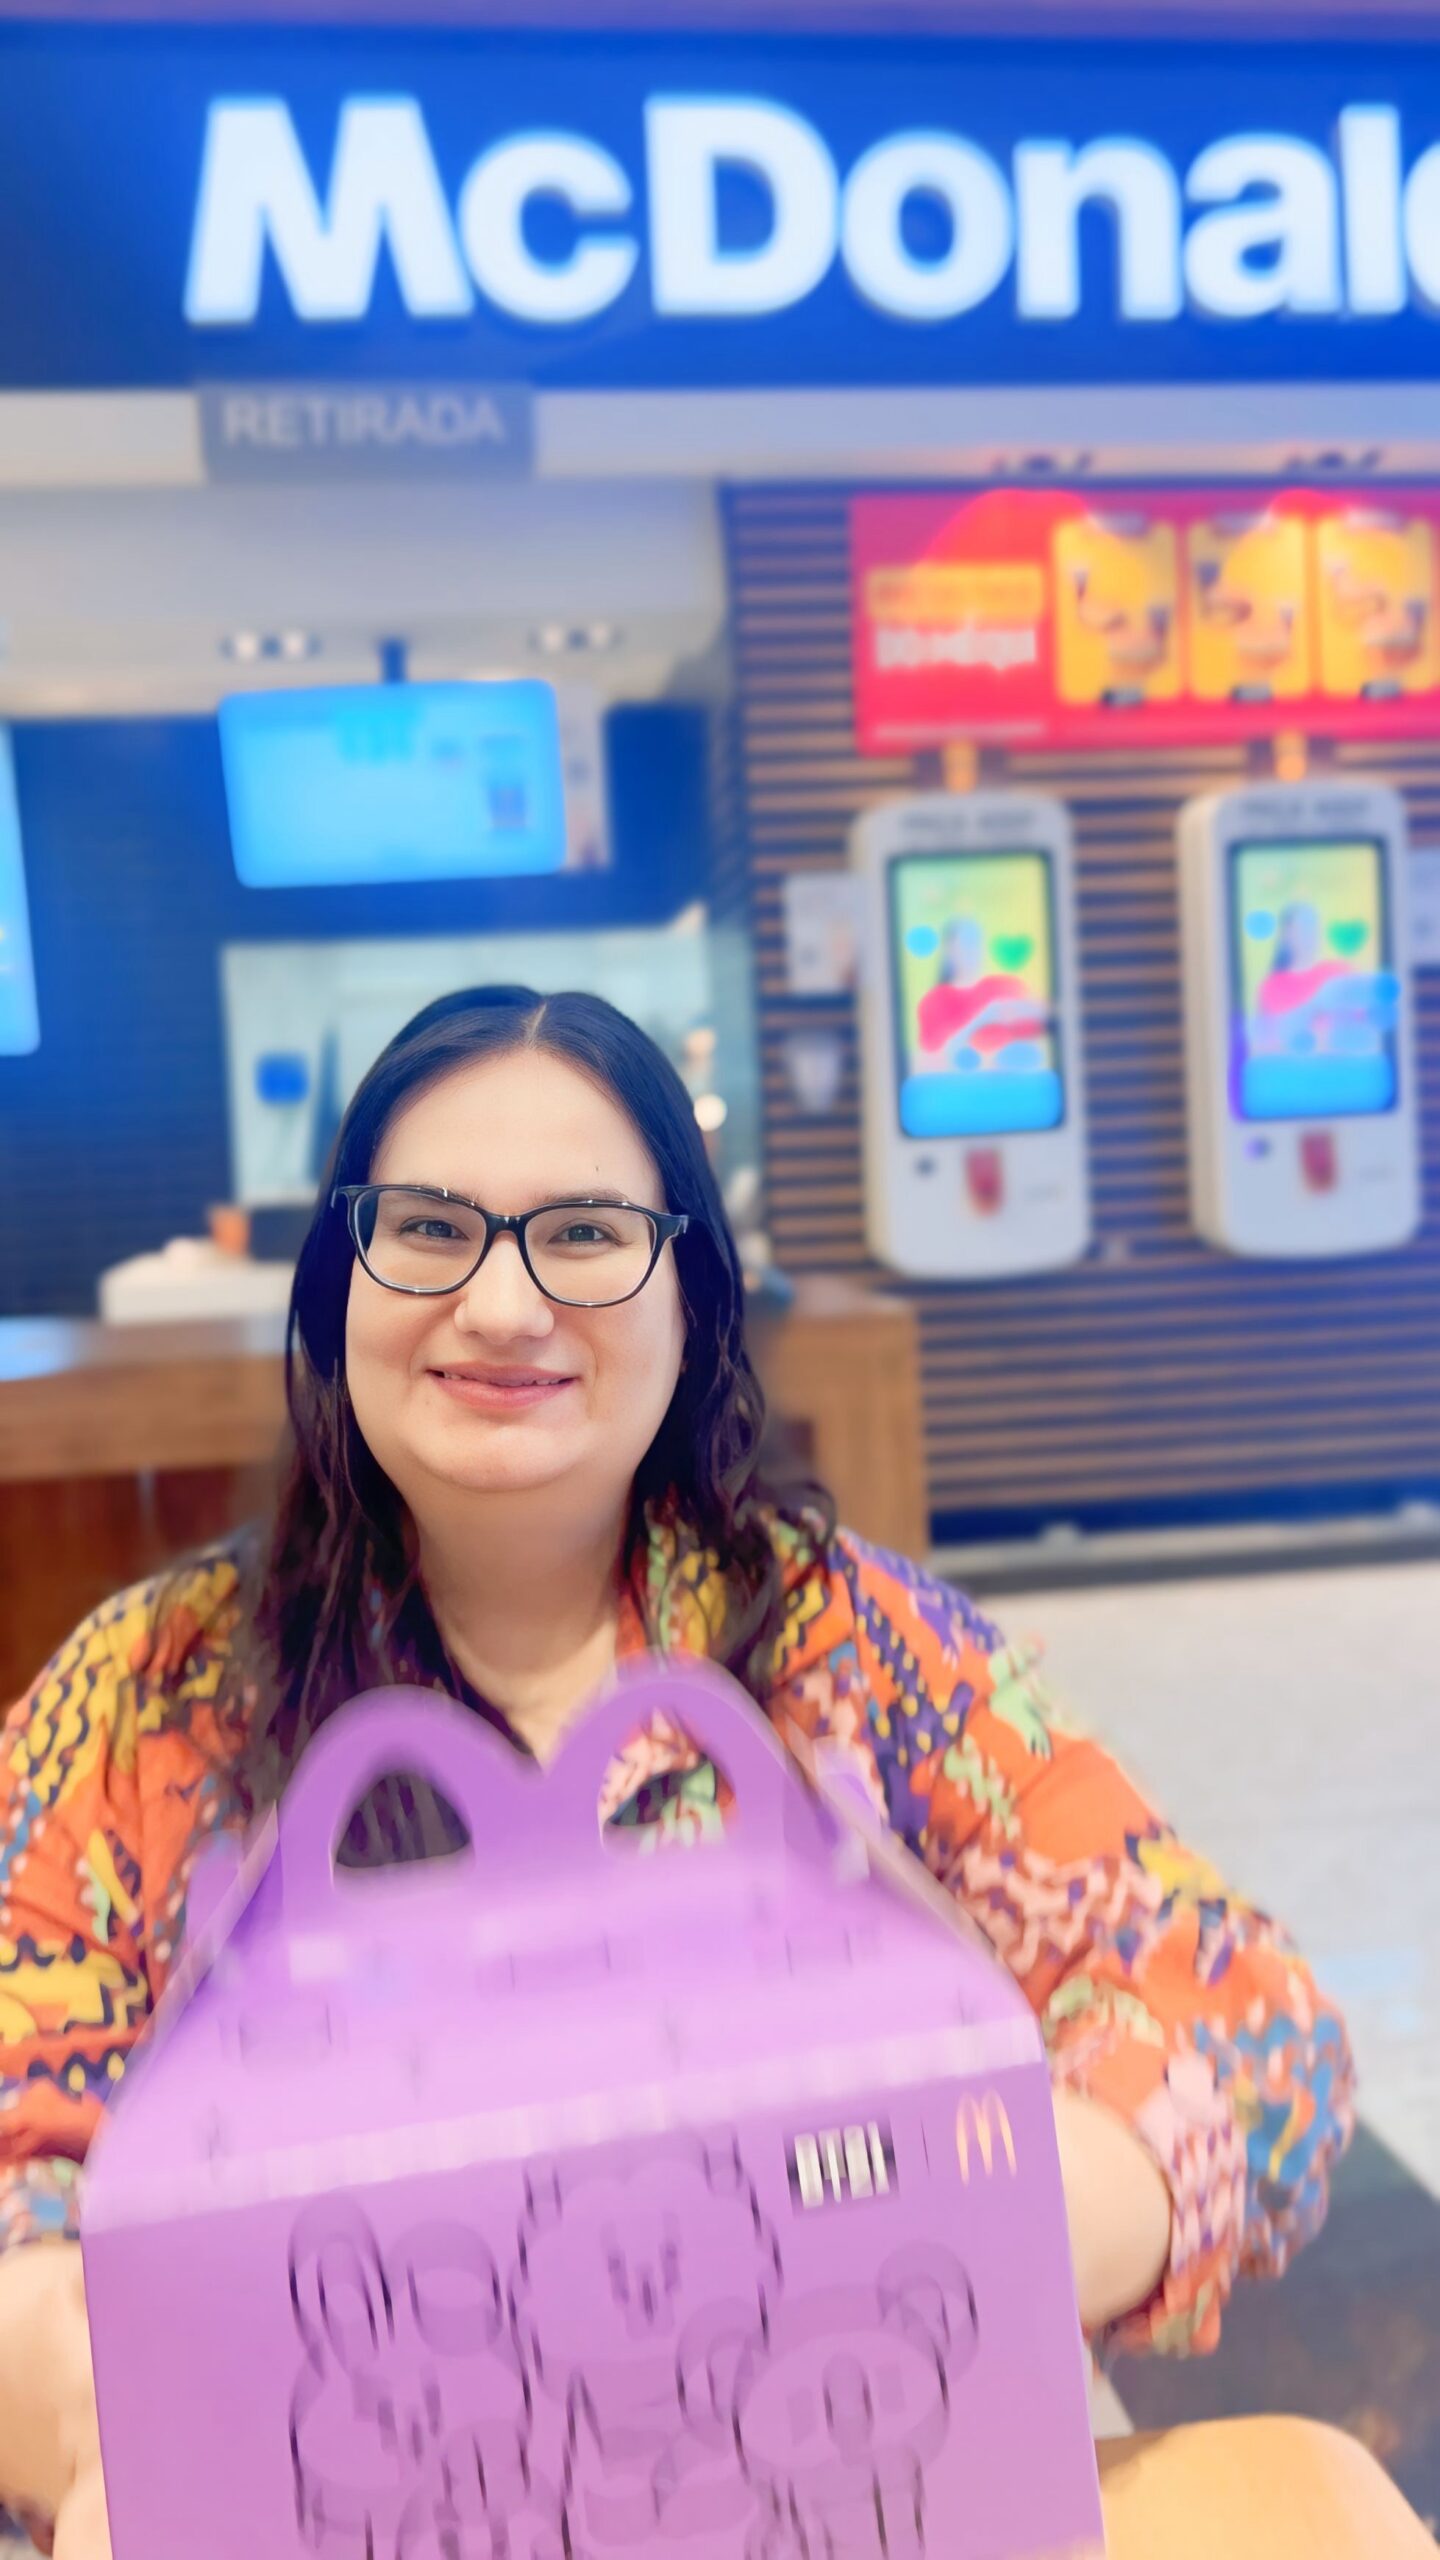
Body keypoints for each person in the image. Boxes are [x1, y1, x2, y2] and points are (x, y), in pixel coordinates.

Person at [0, 986, 1353, 2560]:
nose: (502, 1306)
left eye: (585, 1234)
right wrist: (117, 2411)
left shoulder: (849, 1650)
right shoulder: (152, 1694)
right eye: (429, 1229)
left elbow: (1248, 2026)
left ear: (695, 1304)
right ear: (338, 1285)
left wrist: (946, 2242)